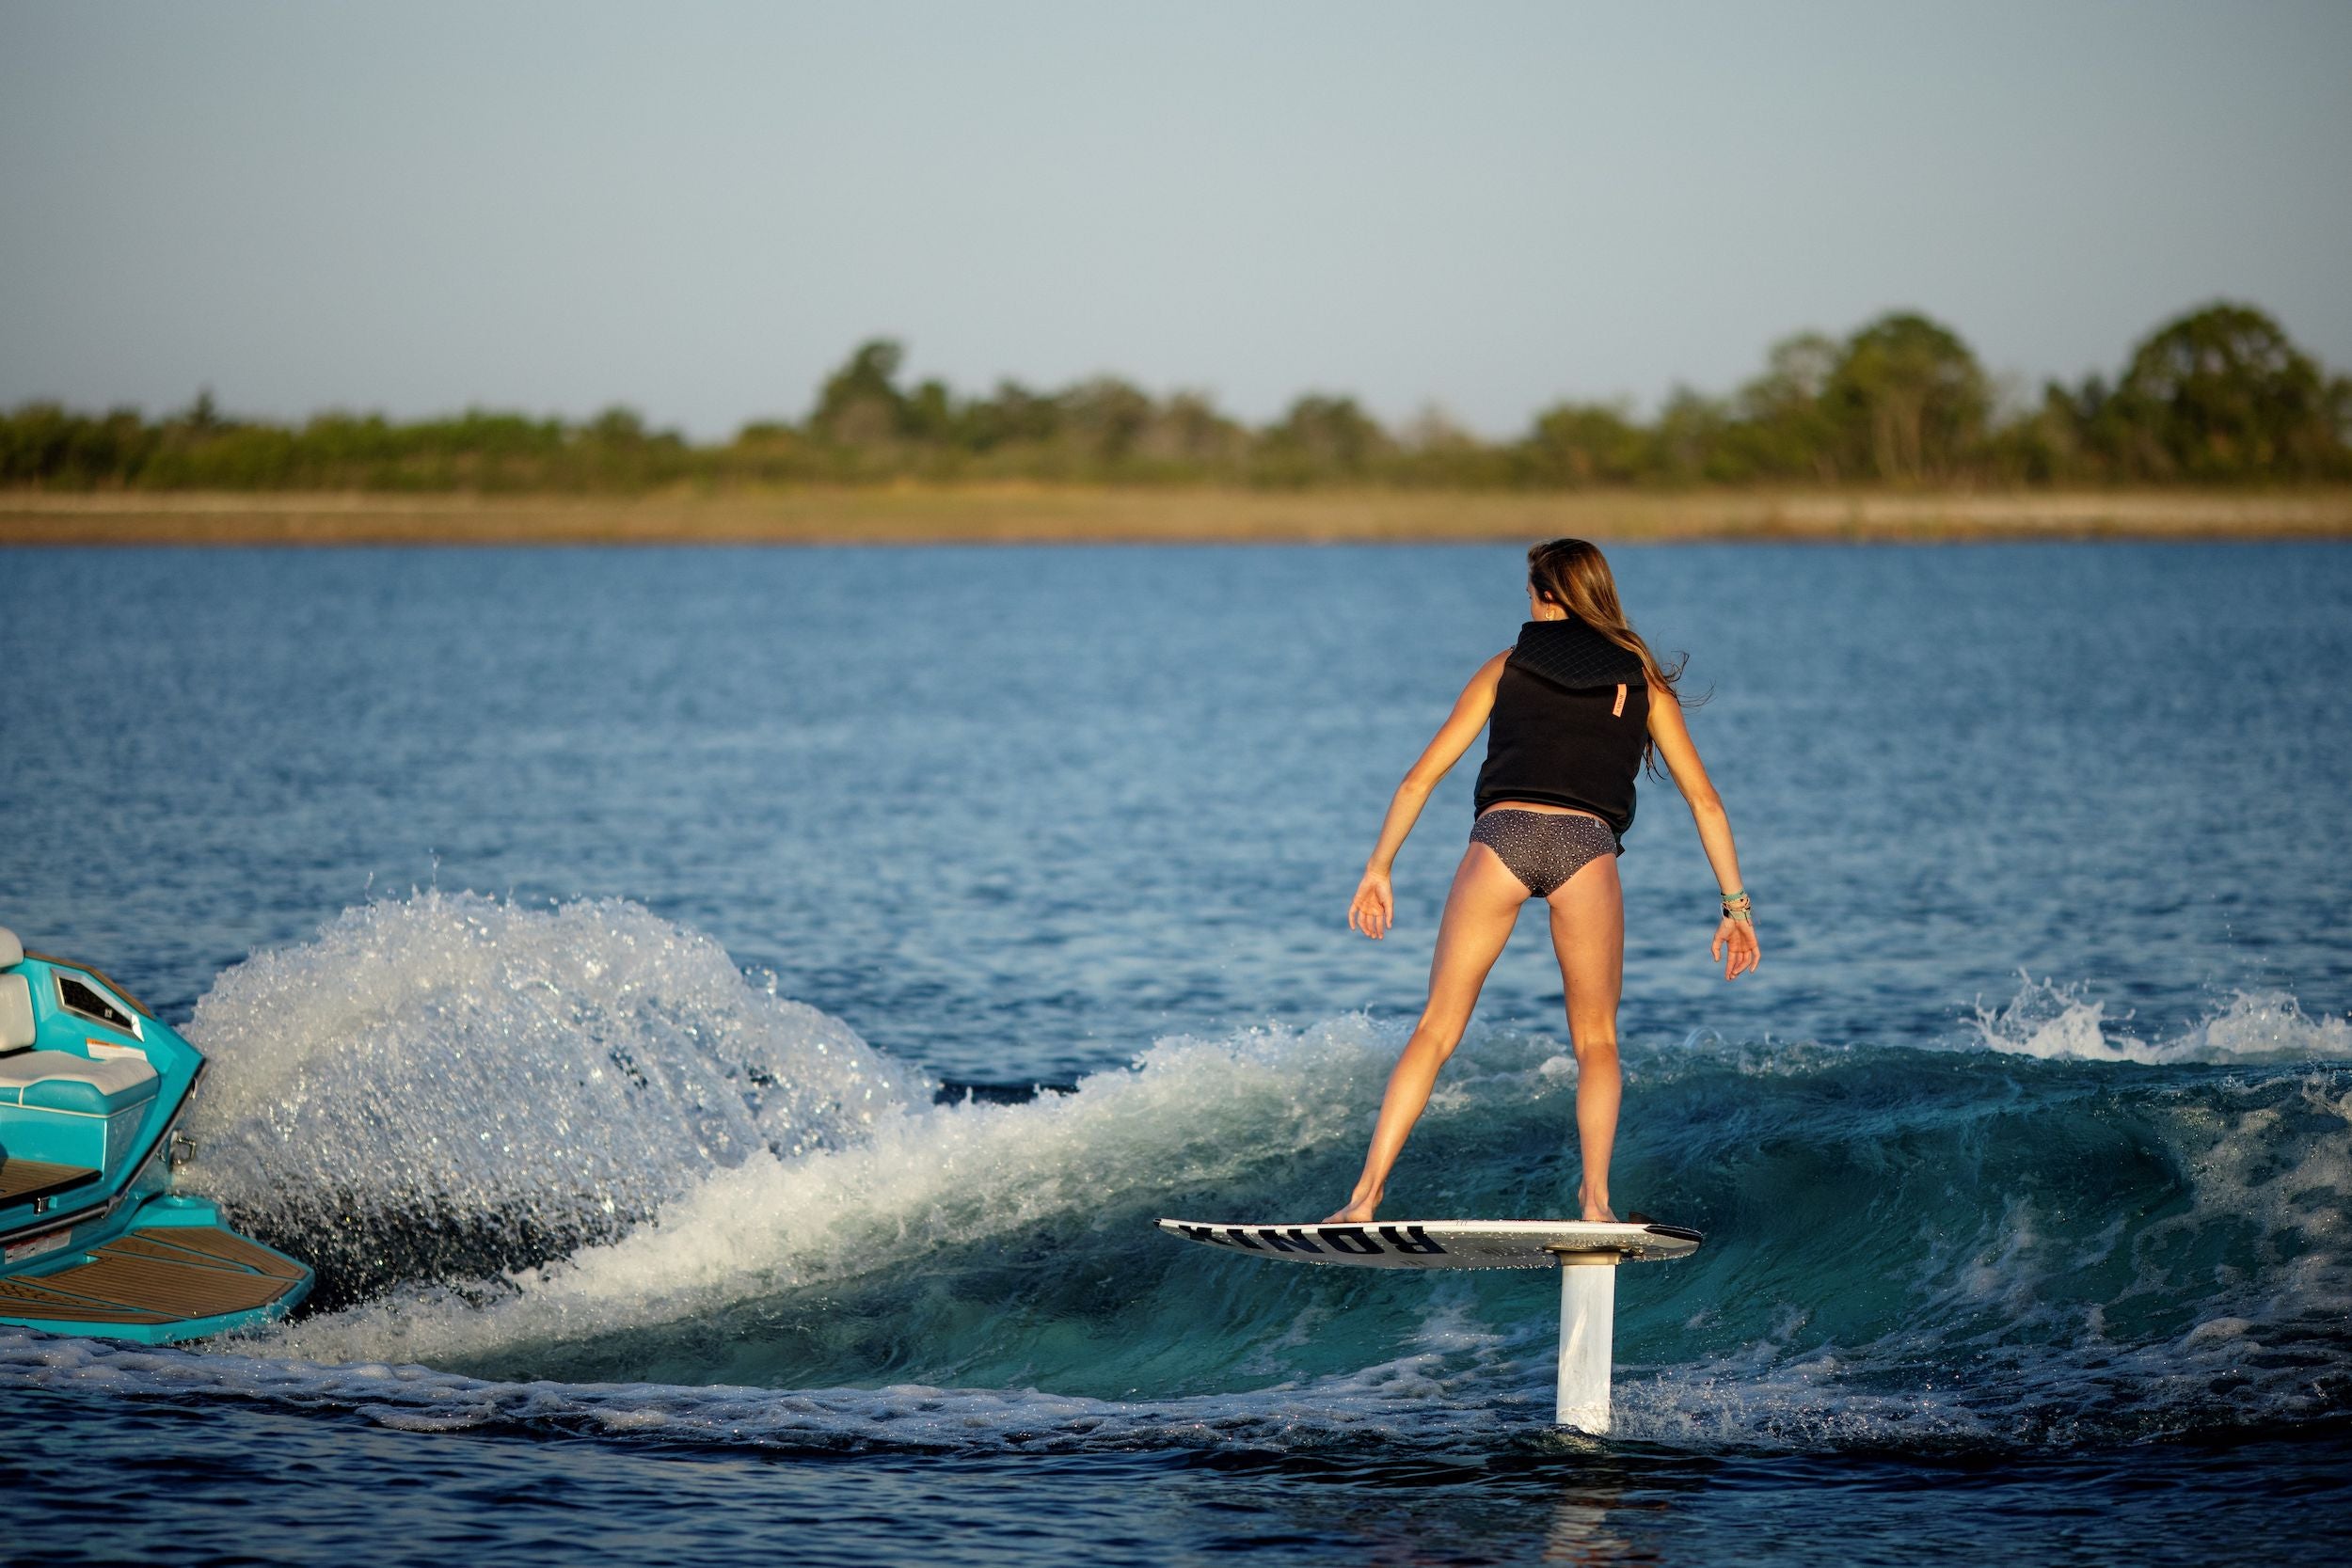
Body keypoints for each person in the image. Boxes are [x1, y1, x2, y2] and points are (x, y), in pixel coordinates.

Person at [1327, 538, 1757, 1226]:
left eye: (1531, 592)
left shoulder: (1507, 666)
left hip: (1502, 839)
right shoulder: (1640, 680)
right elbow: (1705, 801)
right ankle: (1595, 1203)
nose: (1527, 604)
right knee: (1596, 1042)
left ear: (1550, 596)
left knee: (1437, 1027)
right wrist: (1734, 905)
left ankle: (1364, 1196)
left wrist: (1380, 867)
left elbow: (1420, 776)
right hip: (1586, 849)